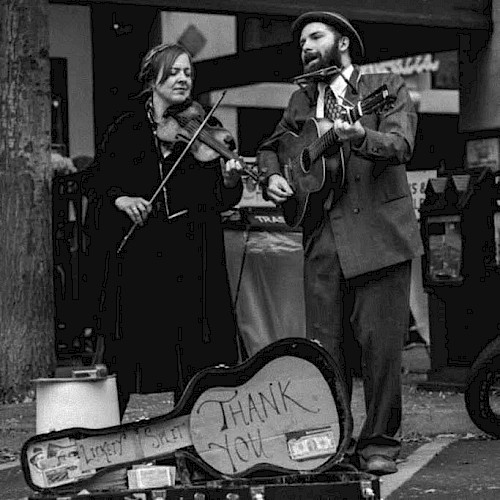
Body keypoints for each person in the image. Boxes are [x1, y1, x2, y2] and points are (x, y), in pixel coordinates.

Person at [257, 11, 424, 475]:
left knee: (381, 349)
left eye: (316, 36)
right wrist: (273, 176)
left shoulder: (385, 85)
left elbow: (400, 144)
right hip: (323, 241)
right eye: (302, 41)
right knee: (326, 350)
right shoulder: (300, 99)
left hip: (379, 239)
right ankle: (334, 442)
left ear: (344, 42)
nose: (305, 46)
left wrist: (359, 134)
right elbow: (271, 147)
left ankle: (380, 444)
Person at [86, 43, 243, 419]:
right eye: (173, 72)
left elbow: (224, 199)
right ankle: (107, 440)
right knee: (128, 354)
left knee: (195, 356)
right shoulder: (126, 127)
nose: (182, 79)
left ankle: (192, 442)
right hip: (142, 259)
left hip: (194, 256)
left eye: (187, 72)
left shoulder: (206, 130)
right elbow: (99, 183)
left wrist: (230, 177)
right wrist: (121, 200)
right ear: (151, 77)